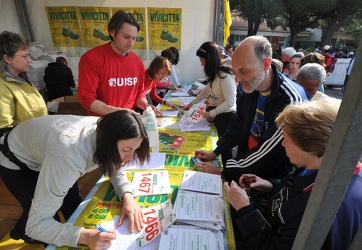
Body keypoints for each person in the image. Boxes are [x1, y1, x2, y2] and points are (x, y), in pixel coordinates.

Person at [223, 98, 362, 250]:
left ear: (312, 146)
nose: (282, 144)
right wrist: (270, 185)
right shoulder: (322, 165)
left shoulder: (320, 207)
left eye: (287, 140)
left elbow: (273, 246)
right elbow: (295, 190)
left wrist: (244, 209)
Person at [0, 110, 150, 247]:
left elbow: (116, 166)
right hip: (16, 161)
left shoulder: (106, 129)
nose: (130, 157)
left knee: (74, 208)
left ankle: (21, 229)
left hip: (50, 154)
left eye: (135, 150)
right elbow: (37, 225)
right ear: (108, 141)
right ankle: (22, 231)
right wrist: (84, 236)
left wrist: (128, 197)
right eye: (126, 150)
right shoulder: (69, 157)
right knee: (45, 222)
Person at [194, 36, 308, 183]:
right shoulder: (251, 86)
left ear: (266, 64)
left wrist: (224, 171)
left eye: (244, 71)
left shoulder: (290, 102)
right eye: (235, 71)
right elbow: (238, 123)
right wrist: (216, 152)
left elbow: (267, 153)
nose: (237, 79)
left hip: (269, 179)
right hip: (247, 166)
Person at [78, 10, 159, 116]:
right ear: (112, 32)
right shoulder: (91, 58)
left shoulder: (137, 62)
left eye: (134, 38)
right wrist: (118, 112)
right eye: (126, 37)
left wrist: (146, 106)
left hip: (127, 121)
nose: (131, 43)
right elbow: (86, 99)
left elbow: (139, 93)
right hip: (101, 123)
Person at [185, 41, 237, 165]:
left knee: (224, 150)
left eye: (203, 61)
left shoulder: (224, 75)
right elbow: (206, 91)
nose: (201, 64)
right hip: (218, 115)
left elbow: (230, 101)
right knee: (218, 147)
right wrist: (191, 104)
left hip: (226, 117)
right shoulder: (215, 74)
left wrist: (211, 113)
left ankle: (226, 176)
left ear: (210, 60)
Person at [0, 30, 47, 130]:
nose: (29, 60)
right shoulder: (2, 86)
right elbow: (3, 128)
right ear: (7, 59)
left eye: (29, 55)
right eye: (24, 56)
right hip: (23, 143)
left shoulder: (22, 79)